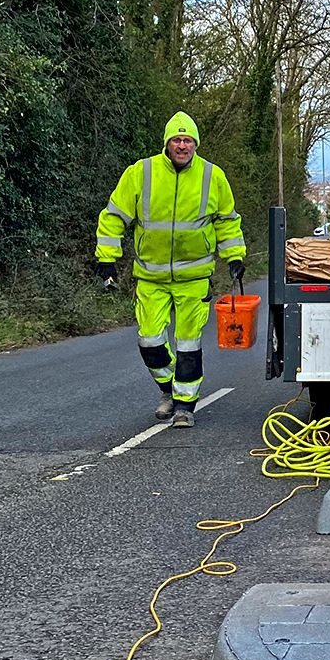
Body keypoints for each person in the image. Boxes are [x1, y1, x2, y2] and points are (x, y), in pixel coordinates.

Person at [95, 112, 246, 428]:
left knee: (188, 342)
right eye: (176, 139)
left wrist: (234, 256)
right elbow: (114, 216)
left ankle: (184, 408)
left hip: (194, 277)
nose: (182, 145)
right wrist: (106, 258)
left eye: (187, 140)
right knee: (149, 340)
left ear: (195, 144)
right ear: (167, 143)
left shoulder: (211, 175)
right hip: (151, 275)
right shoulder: (141, 172)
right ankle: (169, 389)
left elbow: (227, 221)